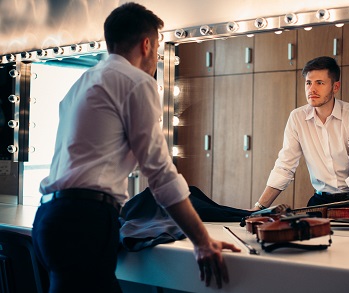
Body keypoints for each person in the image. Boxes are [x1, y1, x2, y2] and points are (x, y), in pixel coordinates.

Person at [32, 3, 240, 292]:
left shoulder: (81, 83)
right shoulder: (135, 82)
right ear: (146, 44)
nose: (156, 56)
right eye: (157, 47)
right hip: (84, 222)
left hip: (49, 220)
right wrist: (202, 241)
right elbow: (161, 175)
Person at [252, 56, 349, 212]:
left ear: (335, 87)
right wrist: (259, 207)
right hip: (320, 201)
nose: (312, 89)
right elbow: (284, 166)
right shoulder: (297, 117)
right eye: (308, 83)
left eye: (320, 83)